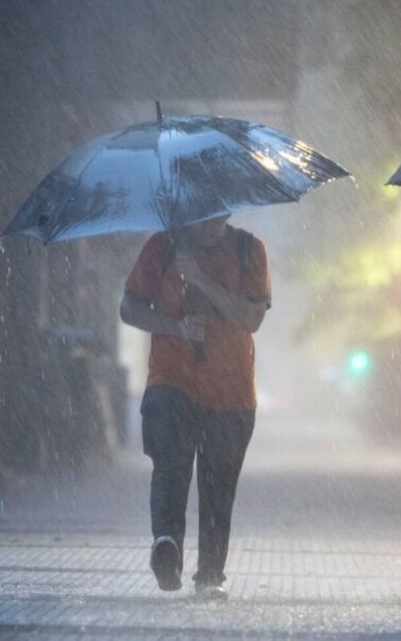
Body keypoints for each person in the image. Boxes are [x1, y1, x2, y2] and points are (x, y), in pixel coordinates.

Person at [120, 216, 271, 599]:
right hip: (171, 381)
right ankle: (166, 544)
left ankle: (210, 574)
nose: (211, 221)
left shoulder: (249, 251)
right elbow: (130, 309)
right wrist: (175, 327)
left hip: (231, 391)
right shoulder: (163, 247)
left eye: (219, 212)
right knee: (170, 462)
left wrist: (201, 279)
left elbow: (251, 317)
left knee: (218, 485)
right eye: (202, 212)